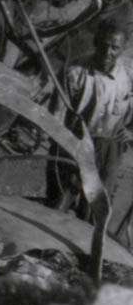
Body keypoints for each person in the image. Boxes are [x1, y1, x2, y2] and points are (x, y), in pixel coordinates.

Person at [54, 20, 133, 246]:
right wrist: (66, 148)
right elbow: (56, 117)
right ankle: (48, 247)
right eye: (104, 45)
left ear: (123, 48)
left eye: (115, 48)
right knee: (63, 196)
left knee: (98, 205)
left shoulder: (129, 75)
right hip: (75, 142)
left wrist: (130, 131)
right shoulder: (74, 72)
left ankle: (86, 251)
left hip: (111, 146)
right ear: (96, 42)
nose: (108, 52)